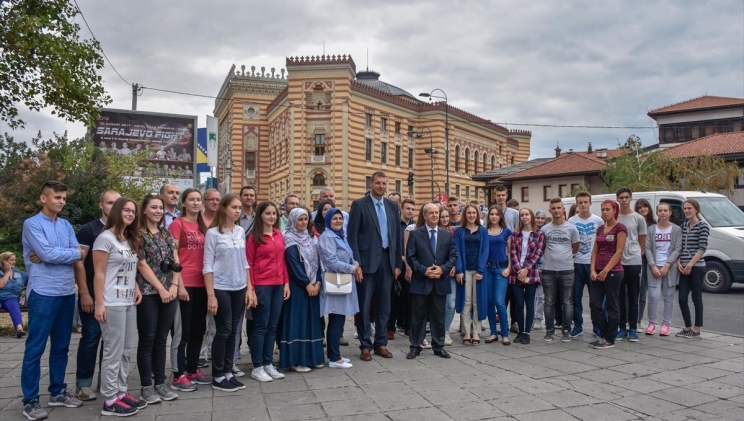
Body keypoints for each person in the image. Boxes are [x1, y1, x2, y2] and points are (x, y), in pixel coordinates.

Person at [21, 181, 86, 420]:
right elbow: (56, 253)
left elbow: (75, 253)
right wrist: (71, 253)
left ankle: (57, 392)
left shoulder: (66, 224)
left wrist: (58, 254)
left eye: (64, 198)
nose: (61, 201)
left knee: (61, 346)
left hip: (67, 291)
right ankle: (30, 400)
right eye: (57, 197)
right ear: (43, 199)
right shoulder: (32, 224)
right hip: (43, 293)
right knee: (35, 348)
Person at [93, 197, 148, 416]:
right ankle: (109, 399)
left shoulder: (128, 238)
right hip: (111, 301)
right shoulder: (105, 238)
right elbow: (99, 273)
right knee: (113, 351)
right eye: (126, 210)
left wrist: (135, 285)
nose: (130, 214)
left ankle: (121, 391)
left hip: (127, 301)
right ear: (117, 211)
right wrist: (99, 303)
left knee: (126, 350)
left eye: (133, 211)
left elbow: (128, 267)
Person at [203, 194, 257, 391]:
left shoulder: (240, 231)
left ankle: (228, 371)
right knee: (223, 330)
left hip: (239, 286)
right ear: (224, 209)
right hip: (221, 287)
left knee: (234, 331)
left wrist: (249, 288)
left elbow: (244, 262)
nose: (238, 211)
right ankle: (217, 375)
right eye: (234, 207)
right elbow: (207, 265)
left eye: (239, 208)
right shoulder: (213, 234)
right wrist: (211, 295)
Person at [347, 172, 402, 361]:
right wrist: (356, 263)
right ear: (371, 184)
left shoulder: (392, 206)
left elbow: (397, 237)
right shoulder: (360, 205)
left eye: (384, 183)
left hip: (387, 262)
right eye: (378, 183)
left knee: (384, 306)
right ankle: (365, 346)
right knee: (364, 305)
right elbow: (352, 237)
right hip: (367, 263)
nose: (381, 186)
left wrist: (397, 263)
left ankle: (380, 343)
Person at [72, 190, 121, 401]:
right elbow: (79, 263)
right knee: (91, 338)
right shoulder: (89, 230)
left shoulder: (125, 231)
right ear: (101, 204)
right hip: (93, 295)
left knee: (112, 343)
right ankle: (83, 384)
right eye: (110, 202)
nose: (113, 206)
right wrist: (84, 293)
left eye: (117, 203)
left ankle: (107, 380)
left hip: (117, 297)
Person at [136, 194, 181, 403]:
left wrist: (173, 285)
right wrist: (160, 289)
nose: (157, 211)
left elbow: (176, 260)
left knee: (162, 340)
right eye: (153, 207)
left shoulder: (165, 232)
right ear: (144, 210)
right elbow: (141, 264)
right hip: (148, 293)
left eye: (160, 208)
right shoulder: (138, 234)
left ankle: (160, 383)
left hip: (169, 292)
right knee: (147, 340)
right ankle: (146, 386)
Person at [168, 189, 209, 391]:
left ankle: (192, 370)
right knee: (181, 332)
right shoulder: (178, 224)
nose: (195, 202)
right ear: (184, 203)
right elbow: (173, 256)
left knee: (198, 330)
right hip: (186, 284)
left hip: (203, 284)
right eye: (191, 199)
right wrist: (180, 285)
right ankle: (178, 375)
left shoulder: (203, 225)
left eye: (198, 199)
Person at [405, 203, 457, 359]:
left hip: (440, 281)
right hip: (421, 281)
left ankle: (438, 346)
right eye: (431, 213)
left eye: (437, 212)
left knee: (438, 316)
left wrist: (442, 269)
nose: (435, 215)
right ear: (425, 215)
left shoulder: (447, 235)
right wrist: (423, 270)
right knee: (418, 316)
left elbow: (453, 256)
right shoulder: (415, 234)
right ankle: (415, 346)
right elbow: (410, 257)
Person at [247, 201, 290, 382]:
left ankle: (267, 363)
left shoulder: (279, 234)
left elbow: (282, 261)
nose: (272, 217)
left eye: (274, 214)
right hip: (262, 286)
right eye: (268, 213)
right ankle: (257, 366)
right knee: (260, 326)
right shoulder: (253, 238)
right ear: (260, 216)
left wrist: (286, 283)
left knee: (272, 327)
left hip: (278, 285)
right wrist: (251, 289)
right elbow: (247, 265)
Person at [280, 208, 326, 372]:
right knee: (298, 322)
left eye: (306, 219)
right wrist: (307, 284)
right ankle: (297, 360)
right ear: (293, 221)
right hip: (298, 287)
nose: (303, 222)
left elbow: (319, 262)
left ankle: (313, 358)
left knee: (313, 323)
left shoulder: (311, 239)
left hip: (313, 287)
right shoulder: (288, 239)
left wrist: (318, 283)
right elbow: (293, 264)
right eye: (300, 219)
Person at [318, 208, 360, 368]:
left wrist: (355, 262)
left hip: (341, 281)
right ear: (328, 220)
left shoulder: (340, 235)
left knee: (339, 318)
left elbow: (348, 255)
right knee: (336, 318)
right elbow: (331, 262)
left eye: (340, 219)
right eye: (334, 219)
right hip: (335, 282)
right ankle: (335, 358)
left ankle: (334, 353)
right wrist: (352, 269)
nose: (338, 221)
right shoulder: (328, 237)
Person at [540, 198, 579, 343]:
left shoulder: (571, 228)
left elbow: (576, 247)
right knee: (549, 301)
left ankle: (566, 330)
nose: (556, 211)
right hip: (549, 270)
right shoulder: (545, 229)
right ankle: (549, 330)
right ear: (550, 210)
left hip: (567, 270)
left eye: (558, 208)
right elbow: (542, 248)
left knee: (567, 302)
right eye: (553, 208)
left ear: (563, 209)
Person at [589, 200, 627, 349]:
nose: (604, 212)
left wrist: (606, 270)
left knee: (612, 305)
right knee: (594, 304)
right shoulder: (600, 229)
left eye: (607, 209)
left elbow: (619, 252)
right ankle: (604, 334)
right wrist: (593, 269)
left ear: (614, 211)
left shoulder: (620, 228)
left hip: (613, 272)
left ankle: (610, 338)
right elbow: (595, 251)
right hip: (597, 270)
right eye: (602, 209)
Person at [568, 191, 604, 338]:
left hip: (592, 264)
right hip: (576, 263)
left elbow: (601, 243)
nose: (583, 205)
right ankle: (578, 325)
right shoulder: (571, 221)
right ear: (577, 204)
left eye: (585, 202)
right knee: (575, 297)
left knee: (595, 298)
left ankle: (597, 325)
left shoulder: (598, 221)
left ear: (590, 203)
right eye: (580, 202)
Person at [644, 203, 681, 337]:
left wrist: (667, 265)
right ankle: (652, 323)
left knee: (669, 297)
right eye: (660, 210)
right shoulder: (652, 229)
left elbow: (677, 248)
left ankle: (666, 324)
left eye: (665, 210)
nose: (663, 213)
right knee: (653, 296)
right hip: (654, 267)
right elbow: (647, 248)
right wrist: (653, 265)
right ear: (657, 213)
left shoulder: (676, 229)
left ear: (670, 212)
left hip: (669, 268)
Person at [615, 187, 647, 342]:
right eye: (621, 197)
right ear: (617, 199)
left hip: (633, 260)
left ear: (631, 198)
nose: (624, 200)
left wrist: (638, 251)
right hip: (618, 261)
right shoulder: (615, 217)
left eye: (627, 197)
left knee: (633, 296)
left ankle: (633, 327)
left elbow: (642, 238)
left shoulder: (638, 218)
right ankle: (621, 327)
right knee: (620, 296)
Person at [509, 208, 545, 345]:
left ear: (531, 216)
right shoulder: (515, 234)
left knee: (530, 303)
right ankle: (520, 331)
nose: (524, 217)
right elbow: (512, 253)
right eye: (522, 215)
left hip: (532, 273)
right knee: (518, 304)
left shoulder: (539, 234)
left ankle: (527, 332)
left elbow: (538, 254)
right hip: (516, 274)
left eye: (527, 214)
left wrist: (526, 269)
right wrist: (519, 270)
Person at [454, 204, 489, 345]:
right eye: (468, 213)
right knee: (466, 301)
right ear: (464, 214)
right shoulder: (459, 231)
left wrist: (481, 270)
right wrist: (459, 270)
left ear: (478, 214)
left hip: (479, 271)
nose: (471, 215)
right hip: (465, 271)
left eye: (474, 213)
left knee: (477, 301)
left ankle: (476, 332)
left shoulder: (483, 231)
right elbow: (456, 251)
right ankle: (466, 332)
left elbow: (485, 250)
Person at [676, 199, 709, 338]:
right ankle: (687, 326)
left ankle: (696, 329)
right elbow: (680, 246)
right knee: (682, 298)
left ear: (696, 209)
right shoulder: (683, 226)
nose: (687, 211)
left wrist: (690, 264)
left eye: (689, 208)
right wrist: (679, 261)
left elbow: (702, 248)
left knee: (696, 297)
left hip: (697, 266)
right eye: (685, 208)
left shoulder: (703, 226)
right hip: (683, 267)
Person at [484, 205, 513, 345]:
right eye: (491, 214)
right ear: (488, 216)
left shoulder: (506, 232)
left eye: (496, 214)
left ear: (501, 216)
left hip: (501, 269)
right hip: (488, 269)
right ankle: (493, 332)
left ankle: (505, 333)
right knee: (489, 302)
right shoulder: (484, 232)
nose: (494, 216)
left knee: (499, 302)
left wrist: (509, 267)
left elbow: (511, 252)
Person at [198, 189, 220, 368]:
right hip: (199, 276)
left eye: (217, 199)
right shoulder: (197, 221)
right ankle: (200, 352)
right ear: (204, 202)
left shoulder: (223, 222)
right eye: (211, 199)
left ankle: (214, 350)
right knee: (202, 319)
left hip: (219, 278)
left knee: (216, 318)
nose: (214, 202)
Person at [389, 198, 416, 339]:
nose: (410, 211)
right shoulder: (394, 225)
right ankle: (390, 328)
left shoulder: (415, 226)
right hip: (396, 265)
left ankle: (407, 326)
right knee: (394, 297)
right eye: (408, 208)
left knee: (409, 298)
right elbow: (392, 245)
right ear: (401, 209)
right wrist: (400, 259)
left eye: (412, 209)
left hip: (411, 266)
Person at [437, 205, 457, 346]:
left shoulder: (453, 232)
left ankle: (445, 330)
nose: (444, 219)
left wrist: (454, 266)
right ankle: (437, 330)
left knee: (450, 304)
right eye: (442, 216)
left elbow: (456, 252)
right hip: (436, 272)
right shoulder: (433, 231)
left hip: (450, 272)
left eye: (446, 217)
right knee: (437, 304)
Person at [635, 198, 655, 327]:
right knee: (631, 292)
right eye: (640, 207)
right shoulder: (634, 223)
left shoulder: (654, 225)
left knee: (643, 292)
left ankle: (638, 321)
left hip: (649, 261)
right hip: (635, 259)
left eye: (645, 206)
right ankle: (628, 319)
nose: (643, 209)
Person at [0, 252, 28, 337]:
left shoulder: (18, 272)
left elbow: (31, 278)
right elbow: (1, 285)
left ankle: (19, 329)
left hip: (11, 298)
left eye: (14, 260)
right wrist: (7, 272)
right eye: (12, 260)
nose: (14, 262)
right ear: (3, 261)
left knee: (14, 305)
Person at [532, 209, 547, 331]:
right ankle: (531, 317)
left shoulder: (546, 231)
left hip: (544, 267)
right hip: (532, 267)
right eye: (538, 218)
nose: (540, 220)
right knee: (531, 295)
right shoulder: (530, 231)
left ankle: (538, 318)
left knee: (541, 296)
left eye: (542, 218)